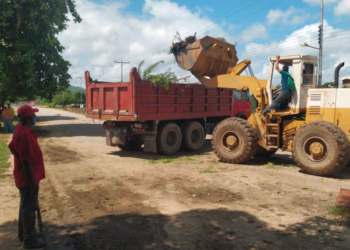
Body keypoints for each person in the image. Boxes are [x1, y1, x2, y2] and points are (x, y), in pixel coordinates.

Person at [8, 105, 46, 249]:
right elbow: (26, 161)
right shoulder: (23, 135)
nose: (35, 117)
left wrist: (17, 156)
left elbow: (11, 147)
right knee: (28, 209)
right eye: (34, 115)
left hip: (28, 177)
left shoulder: (23, 130)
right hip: (27, 179)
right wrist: (32, 183)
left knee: (25, 206)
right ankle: (30, 241)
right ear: (29, 118)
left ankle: (23, 234)